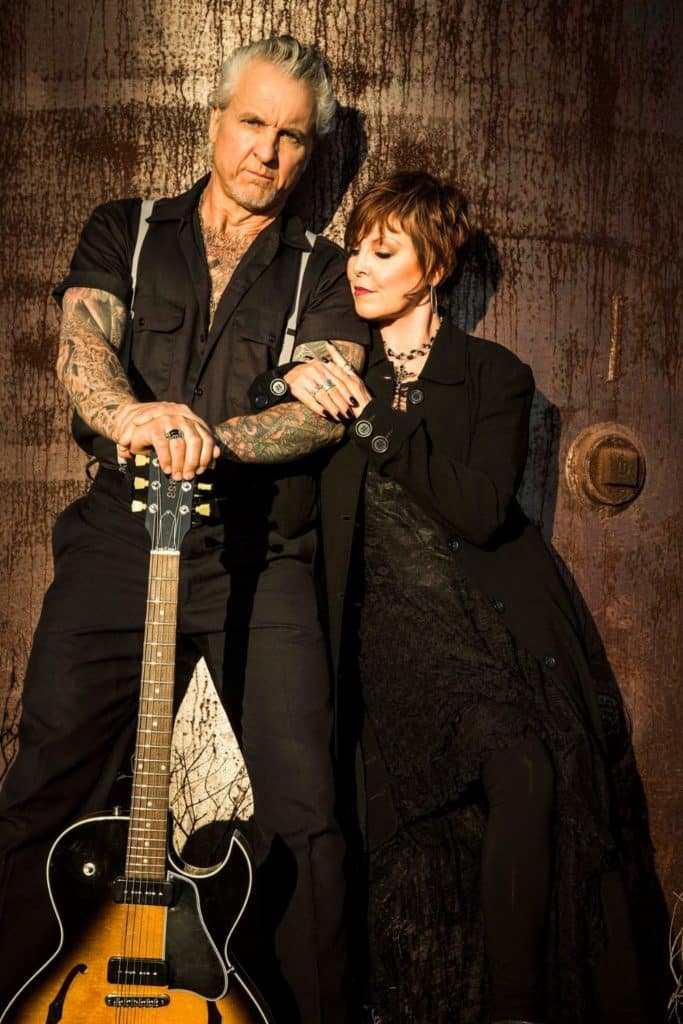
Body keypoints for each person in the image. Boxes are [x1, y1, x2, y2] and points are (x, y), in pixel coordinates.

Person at [0, 35, 369, 1024]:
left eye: (292, 137)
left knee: (307, 820)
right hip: (122, 538)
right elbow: (82, 348)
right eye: (251, 124)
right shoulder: (124, 228)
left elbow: (317, 408)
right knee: (44, 788)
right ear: (213, 120)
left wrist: (221, 426)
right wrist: (130, 417)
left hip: (258, 550)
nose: (267, 153)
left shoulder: (320, 275)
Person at [275, 171, 648, 1023]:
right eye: (355, 252)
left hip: (490, 625)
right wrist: (287, 385)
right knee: (411, 838)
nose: (357, 269)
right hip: (379, 639)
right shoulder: (330, 368)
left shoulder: (492, 375)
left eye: (383, 251)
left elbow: (478, 509)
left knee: (527, 774)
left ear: (434, 266)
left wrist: (371, 416)